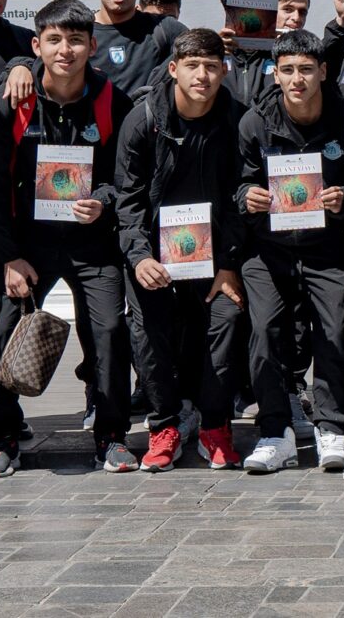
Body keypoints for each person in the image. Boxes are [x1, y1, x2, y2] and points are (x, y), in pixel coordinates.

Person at [0, 0, 140, 475]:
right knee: (2, 331)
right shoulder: (13, 101)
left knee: (109, 331)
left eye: (74, 40)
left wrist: (103, 202)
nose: (65, 49)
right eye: (53, 40)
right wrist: (8, 256)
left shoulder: (113, 100)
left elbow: (125, 179)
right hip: (28, 247)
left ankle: (111, 436)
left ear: (92, 45)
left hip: (93, 245)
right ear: (37, 45)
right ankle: (3, 439)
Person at [116, 30, 249, 472]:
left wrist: (229, 263)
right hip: (155, 254)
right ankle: (164, 427)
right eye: (192, 65)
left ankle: (215, 426)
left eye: (212, 66)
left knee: (225, 323)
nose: (203, 75)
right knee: (149, 336)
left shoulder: (237, 120)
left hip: (215, 256)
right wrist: (139, 257)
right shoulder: (144, 120)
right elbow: (128, 198)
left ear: (223, 71)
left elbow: (240, 197)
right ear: (174, 69)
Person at [236, 29, 344, 474]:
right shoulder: (255, 122)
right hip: (269, 250)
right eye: (287, 70)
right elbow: (237, 183)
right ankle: (275, 432)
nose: (297, 79)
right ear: (276, 74)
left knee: (334, 333)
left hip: (329, 247)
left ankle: (331, 426)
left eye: (306, 69)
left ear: (323, 71)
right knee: (266, 332)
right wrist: (247, 196)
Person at [89, 0, 184, 98]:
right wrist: (31, 69)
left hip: (146, 122)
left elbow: (202, 51)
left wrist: (225, 46)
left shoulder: (163, 28)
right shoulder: (79, 34)